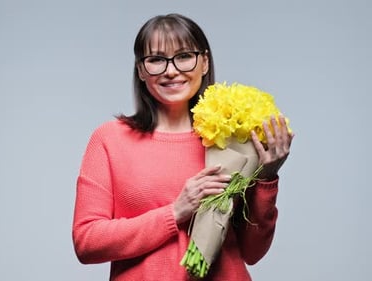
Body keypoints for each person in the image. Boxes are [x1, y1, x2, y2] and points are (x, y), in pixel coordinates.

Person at [72, 13, 293, 281]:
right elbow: (87, 242)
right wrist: (175, 211)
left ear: (204, 62)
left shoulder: (231, 138)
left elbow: (252, 252)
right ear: (141, 70)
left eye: (184, 56)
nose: (171, 70)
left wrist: (267, 177)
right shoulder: (109, 139)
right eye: (156, 60)